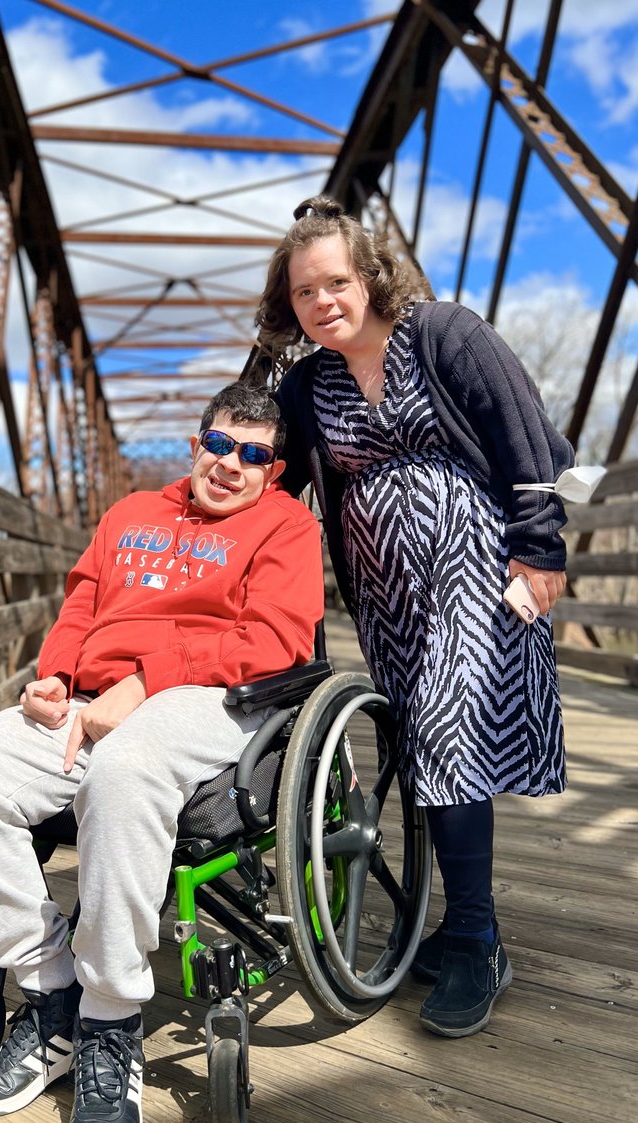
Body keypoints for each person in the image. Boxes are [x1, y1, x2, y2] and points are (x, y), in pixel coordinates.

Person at [0, 382, 324, 1123]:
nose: (229, 465)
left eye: (251, 456)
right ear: (195, 443)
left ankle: (111, 1019)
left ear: (271, 471)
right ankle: (52, 993)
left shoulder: (286, 525)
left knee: (124, 767)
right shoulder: (130, 512)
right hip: (86, 697)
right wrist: (55, 675)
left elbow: (279, 639)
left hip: (209, 697)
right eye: (218, 445)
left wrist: (146, 682)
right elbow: (80, 605)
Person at [256, 195, 574, 1039]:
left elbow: (523, 434)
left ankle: (475, 937)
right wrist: (189, 524)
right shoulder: (307, 381)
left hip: (473, 559)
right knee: (418, 740)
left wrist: (539, 548)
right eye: (303, 294)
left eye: (336, 282)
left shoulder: (443, 335)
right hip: (385, 589)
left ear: (368, 277)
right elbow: (267, 477)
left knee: (446, 728)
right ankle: (458, 920)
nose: (322, 302)